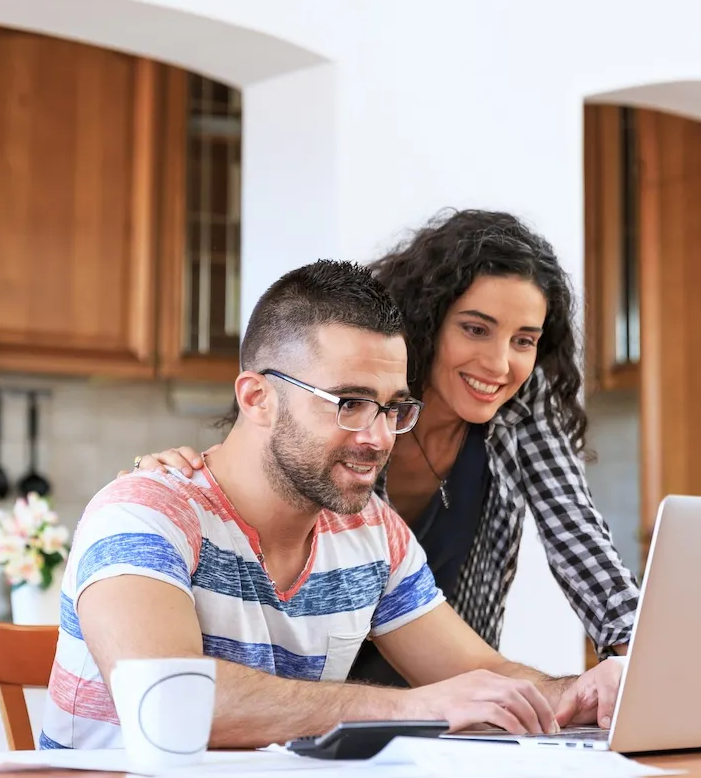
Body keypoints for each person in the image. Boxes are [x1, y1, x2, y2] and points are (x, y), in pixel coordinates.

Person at [43, 259, 627, 751]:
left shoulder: (370, 532)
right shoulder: (144, 512)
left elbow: (483, 674)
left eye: (393, 408)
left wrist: (579, 692)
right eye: (348, 402)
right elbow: (165, 699)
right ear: (257, 397)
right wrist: (414, 709)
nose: (377, 438)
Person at [129, 209, 640, 688]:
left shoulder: (521, 411)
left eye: (524, 340)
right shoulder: (355, 419)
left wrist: (637, 667)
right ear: (430, 320)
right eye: (476, 329)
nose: (500, 364)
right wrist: (175, 489)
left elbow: (580, 541)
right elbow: (270, 457)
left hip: (448, 693)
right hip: (322, 704)